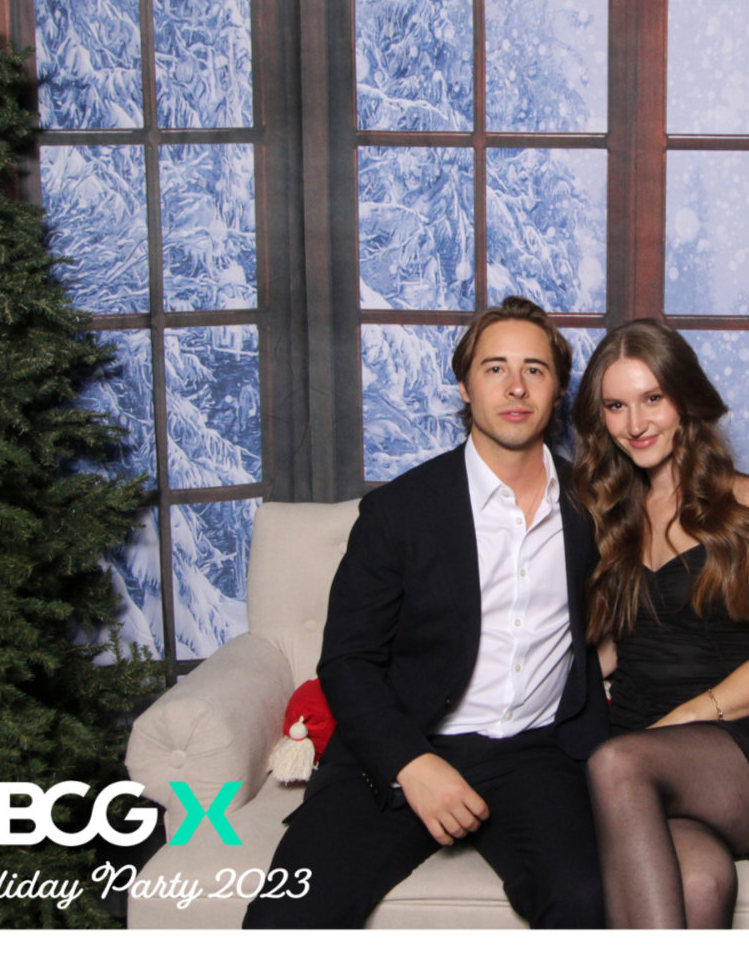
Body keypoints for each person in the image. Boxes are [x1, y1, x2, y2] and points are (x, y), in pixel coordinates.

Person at [244, 297, 609, 929]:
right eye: (495, 368)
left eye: (535, 369)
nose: (516, 386)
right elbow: (348, 660)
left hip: (536, 754)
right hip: (406, 740)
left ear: (556, 391)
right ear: (465, 386)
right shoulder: (399, 510)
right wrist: (411, 765)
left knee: (587, 902)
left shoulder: (593, 505)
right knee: (288, 917)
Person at [571, 319, 749, 928]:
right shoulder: (607, 513)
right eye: (616, 406)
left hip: (741, 744)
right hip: (642, 745)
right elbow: (610, 650)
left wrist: (685, 717)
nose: (635, 423)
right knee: (702, 881)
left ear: (684, 398)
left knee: (615, 763)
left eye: (652, 398)